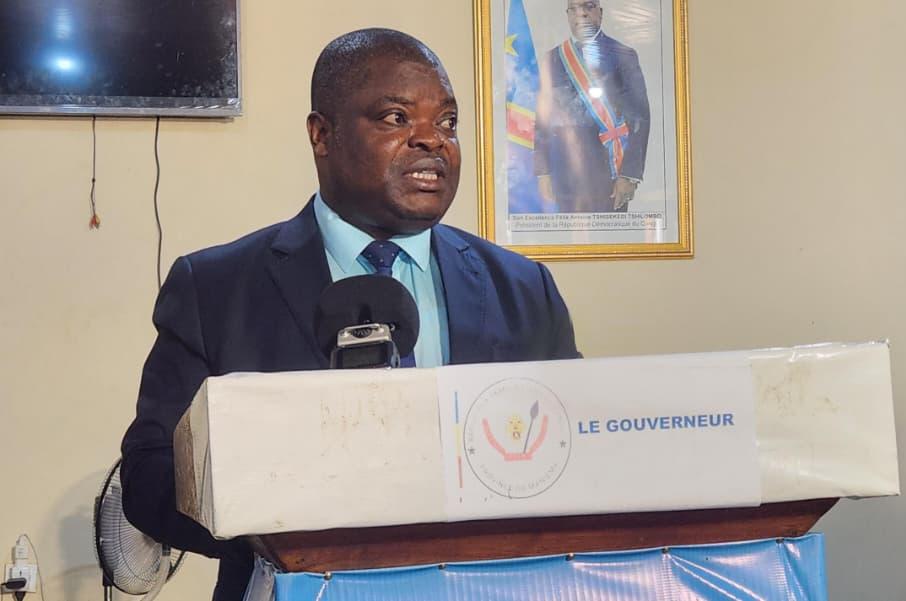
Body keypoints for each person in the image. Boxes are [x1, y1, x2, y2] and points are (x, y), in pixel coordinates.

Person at [120, 28, 580, 601]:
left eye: (448, 122)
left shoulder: (523, 287)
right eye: (395, 118)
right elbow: (150, 478)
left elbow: (572, 452)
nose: (431, 140)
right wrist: (277, 520)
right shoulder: (214, 287)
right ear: (322, 134)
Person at [534, 0, 651, 213]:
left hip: (610, 174)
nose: (582, 14)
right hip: (565, 173)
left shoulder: (623, 55)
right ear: (568, 15)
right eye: (574, 9)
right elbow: (543, 119)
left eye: (588, 6)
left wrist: (629, 175)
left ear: (600, 12)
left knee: (611, 234)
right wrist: (543, 172)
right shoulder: (552, 59)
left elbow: (639, 117)